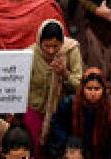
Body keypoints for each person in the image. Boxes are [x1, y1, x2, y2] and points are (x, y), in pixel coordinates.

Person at [25, 19, 84, 148]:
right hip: (34, 108)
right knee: (34, 146)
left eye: (56, 46)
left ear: (62, 43)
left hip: (61, 110)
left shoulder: (70, 50)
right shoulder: (29, 54)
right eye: (47, 46)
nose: (51, 51)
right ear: (39, 42)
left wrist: (64, 73)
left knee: (59, 147)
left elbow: (79, 85)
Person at [46, 67, 111, 157]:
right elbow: (58, 130)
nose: (92, 93)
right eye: (89, 88)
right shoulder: (69, 104)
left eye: (97, 89)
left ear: (103, 89)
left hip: (103, 153)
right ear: (82, 88)